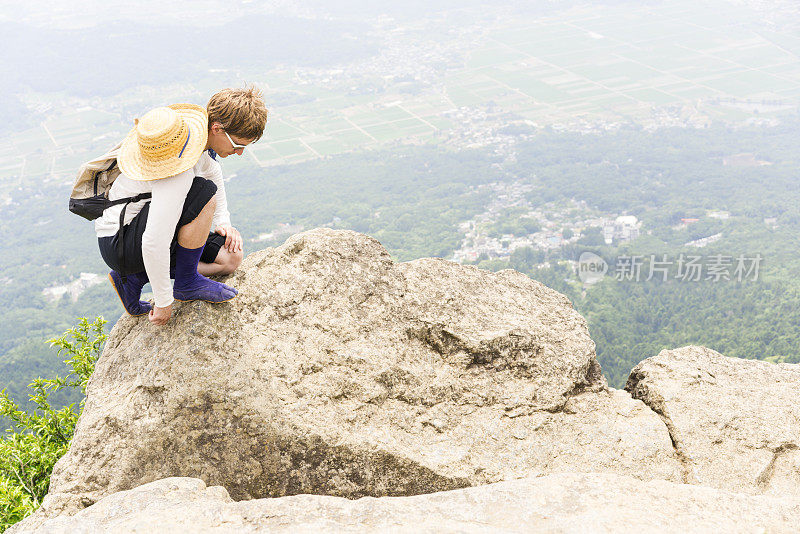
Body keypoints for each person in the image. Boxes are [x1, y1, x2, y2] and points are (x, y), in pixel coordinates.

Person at [95, 86, 268, 326]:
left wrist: (225, 224)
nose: (239, 153)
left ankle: (134, 278)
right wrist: (164, 301)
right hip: (121, 241)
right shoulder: (178, 168)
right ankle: (186, 282)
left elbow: (213, 172)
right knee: (204, 193)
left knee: (230, 257)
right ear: (217, 129)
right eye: (238, 145)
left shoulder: (197, 145)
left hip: (139, 233)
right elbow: (154, 240)